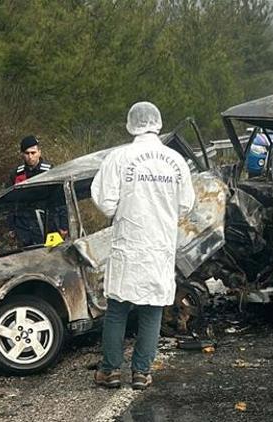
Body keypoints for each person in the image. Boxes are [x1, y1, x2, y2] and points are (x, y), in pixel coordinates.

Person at [91, 101, 196, 390]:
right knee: (152, 310)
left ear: (131, 124)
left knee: (117, 310)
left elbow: (105, 202)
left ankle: (110, 371)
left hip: (129, 244)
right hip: (159, 245)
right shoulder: (175, 161)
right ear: (158, 123)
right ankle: (141, 372)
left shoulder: (119, 157)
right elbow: (186, 205)